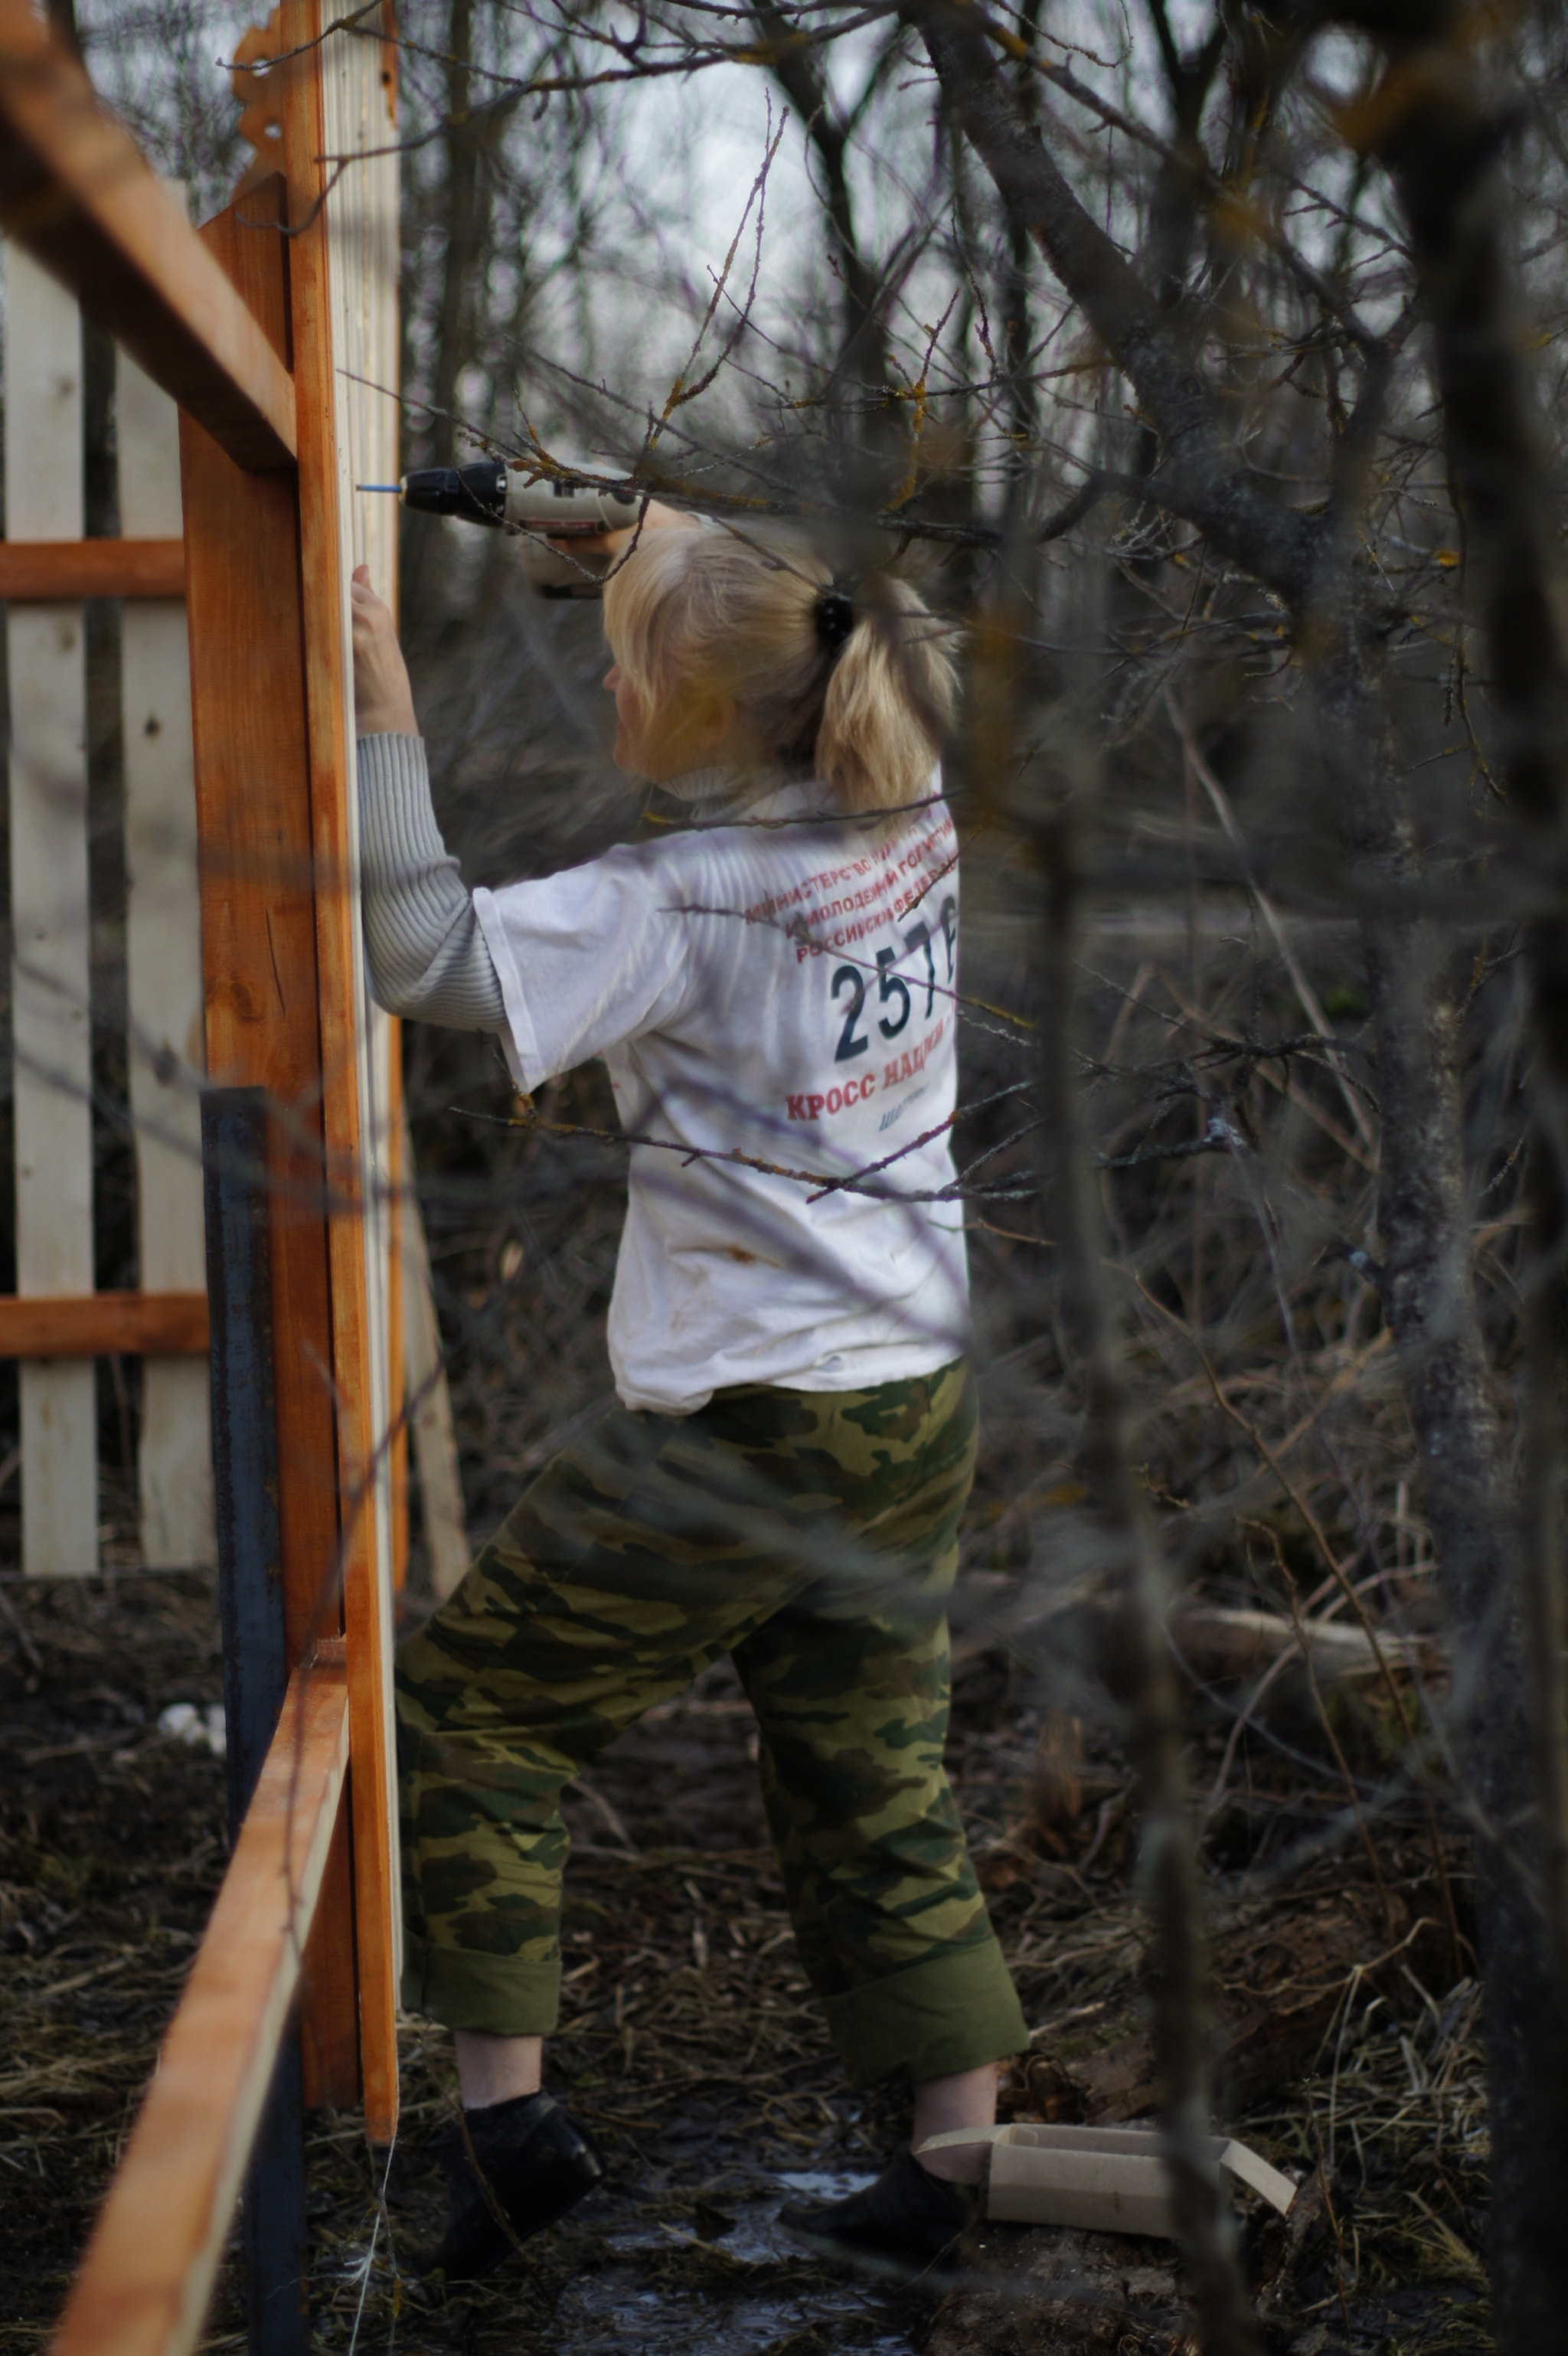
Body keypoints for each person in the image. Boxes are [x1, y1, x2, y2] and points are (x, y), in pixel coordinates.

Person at [350, 503, 1027, 2282]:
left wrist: (382, 721)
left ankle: (506, 2133)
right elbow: (789, 623)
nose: (596, 670)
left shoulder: (681, 899)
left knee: (477, 1716)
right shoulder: (910, 813)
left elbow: (428, 961)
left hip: (750, 1425)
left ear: (706, 708)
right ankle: (958, 2159)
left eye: (624, 653)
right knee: (876, 1776)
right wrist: (652, 542)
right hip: (908, 1396)